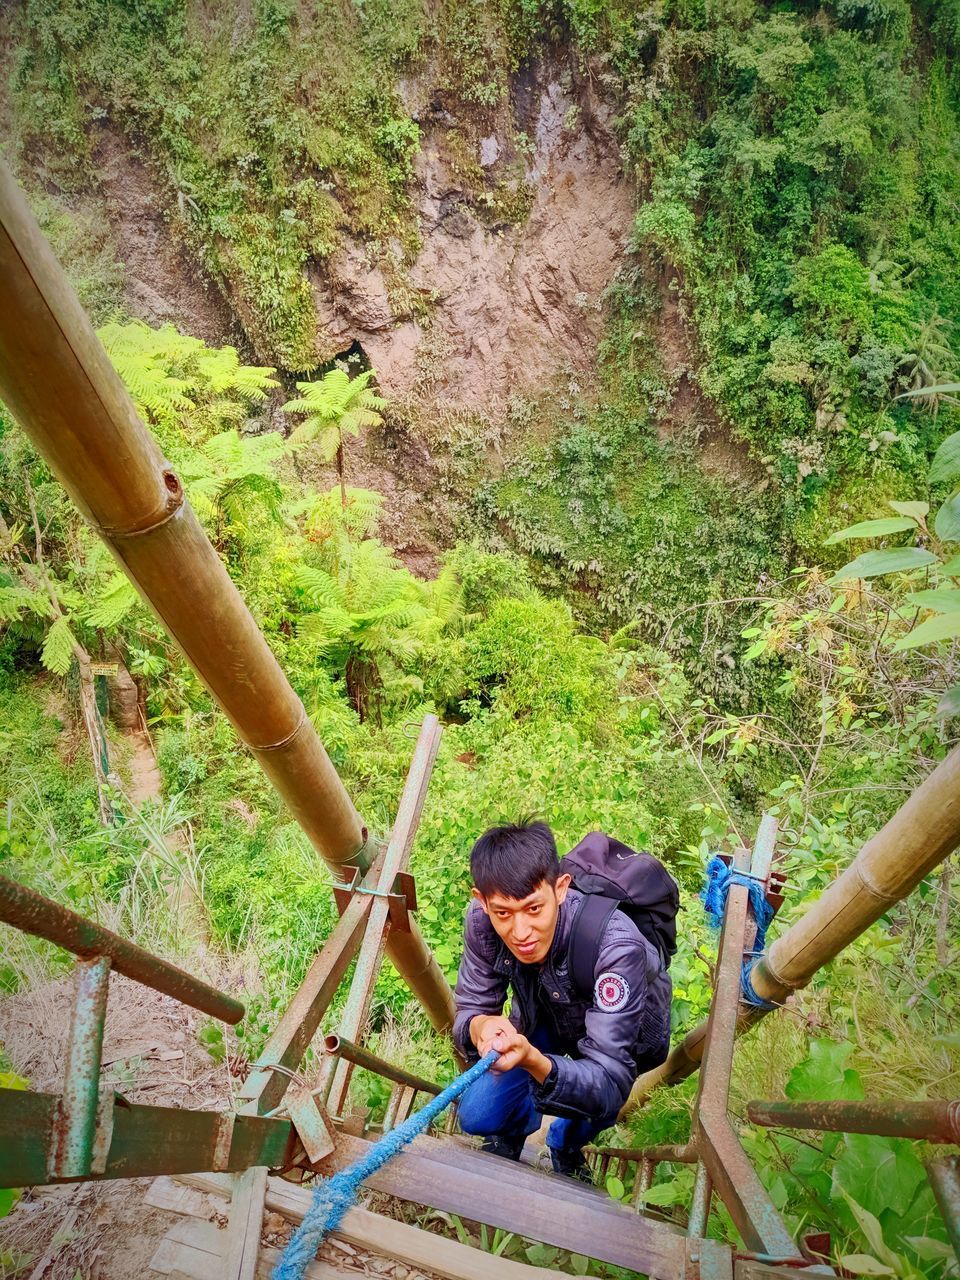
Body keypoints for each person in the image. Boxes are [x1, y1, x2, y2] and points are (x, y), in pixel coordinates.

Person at [452, 820, 672, 1180]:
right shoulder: (481, 921)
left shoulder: (618, 947)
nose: (520, 932)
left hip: (623, 1035)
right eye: (503, 913)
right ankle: (514, 1129)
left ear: (560, 889)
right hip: (547, 1015)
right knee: (478, 1115)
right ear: (482, 901)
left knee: (599, 1106)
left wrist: (537, 1063)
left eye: (534, 909)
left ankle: (565, 1145)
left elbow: (608, 1080)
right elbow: (472, 1006)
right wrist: (482, 1024)